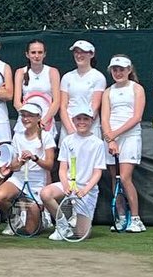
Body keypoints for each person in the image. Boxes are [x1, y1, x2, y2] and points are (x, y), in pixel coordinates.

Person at [41, 102, 105, 242]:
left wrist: (85, 190)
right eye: (78, 119)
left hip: (87, 190)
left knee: (81, 234)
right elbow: (63, 168)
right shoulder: (67, 141)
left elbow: (97, 172)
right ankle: (63, 225)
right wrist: (66, 185)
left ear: (91, 121)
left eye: (85, 119)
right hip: (69, 184)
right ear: (73, 120)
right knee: (45, 193)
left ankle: (76, 220)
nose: (82, 122)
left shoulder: (98, 144)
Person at [0, 101, 55, 235]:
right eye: (23, 115)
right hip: (18, 178)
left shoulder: (47, 137)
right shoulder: (17, 136)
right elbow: (13, 166)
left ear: (38, 117)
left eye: (29, 115)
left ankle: (40, 219)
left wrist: (35, 158)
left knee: (30, 231)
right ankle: (15, 219)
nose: (26, 119)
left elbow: (49, 165)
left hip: (37, 181)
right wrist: (20, 162)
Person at [102, 55, 147, 233]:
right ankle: (121, 217)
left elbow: (137, 117)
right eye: (115, 69)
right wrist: (110, 139)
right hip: (111, 139)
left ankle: (136, 219)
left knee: (125, 177)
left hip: (130, 137)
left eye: (121, 69)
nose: (118, 73)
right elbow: (104, 118)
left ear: (129, 70)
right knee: (115, 178)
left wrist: (114, 134)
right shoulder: (108, 92)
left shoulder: (137, 89)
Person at [59, 40, 106, 138]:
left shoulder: (98, 77)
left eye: (83, 52)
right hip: (68, 130)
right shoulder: (67, 77)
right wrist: (70, 129)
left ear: (91, 54)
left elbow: (95, 106)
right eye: (76, 52)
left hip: (91, 129)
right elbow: (63, 106)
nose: (79, 55)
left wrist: (83, 128)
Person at [13, 39, 60, 137]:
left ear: (44, 54)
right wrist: (28, 118)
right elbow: (17, 103)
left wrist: (42, 122)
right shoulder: (20, 72)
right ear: (27, 54)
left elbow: (56, 102)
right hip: (25, 122)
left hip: (46, 123)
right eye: (33, 52)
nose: (37, 56)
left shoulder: (53, 72)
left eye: (40, 52)